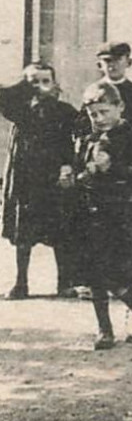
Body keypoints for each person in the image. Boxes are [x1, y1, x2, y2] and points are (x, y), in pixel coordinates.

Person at [67, 81, 132, 350]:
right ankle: (104, 329)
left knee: (114, 275)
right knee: (95, 274)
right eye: (94, 114)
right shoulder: (88, 137)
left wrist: (114, 168)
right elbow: (83, 169)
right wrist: (72, 176)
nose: (99, 119)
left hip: (119, 213)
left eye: (105, 112)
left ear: (120, 107)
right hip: (90, 211)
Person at [1, 62, 78, 300]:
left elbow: (77, 141)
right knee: (23, 235)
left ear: (55, 85)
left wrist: (69, 165)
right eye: (33, 81)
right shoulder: (20, 110)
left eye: (46, 81)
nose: (40, 87)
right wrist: (25, 88)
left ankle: (64, 283)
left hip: (55, 180)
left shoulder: (66, 111)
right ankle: (21, 282)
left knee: (61, 234)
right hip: (25, 181)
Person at [91, 42, 132, 171]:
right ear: (99, 65)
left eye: (118, 60)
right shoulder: (93, 91)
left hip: (130, 158)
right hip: (100, 157)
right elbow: (85, 127)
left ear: (128, 62)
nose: (112, 65)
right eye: (107, 61)